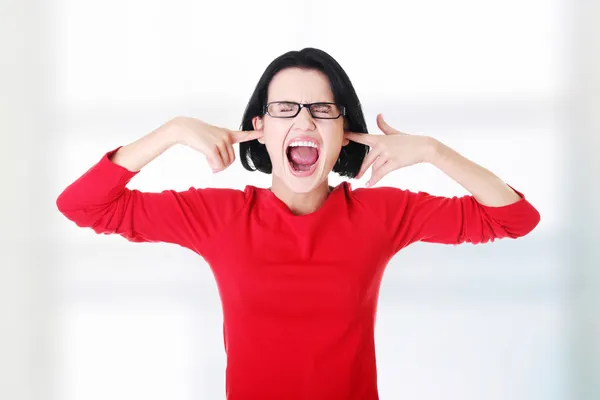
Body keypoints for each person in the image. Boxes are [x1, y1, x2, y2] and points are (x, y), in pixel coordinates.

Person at [56, 47, 541, 400]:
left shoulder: (381, 216)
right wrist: (172, 131)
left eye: (322, 110)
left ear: (344, 131)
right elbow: (83, 206)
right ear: (260, 128)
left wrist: (434, 151)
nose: (303, 122)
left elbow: (516, 218)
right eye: (284, 109)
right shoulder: (218, 217)